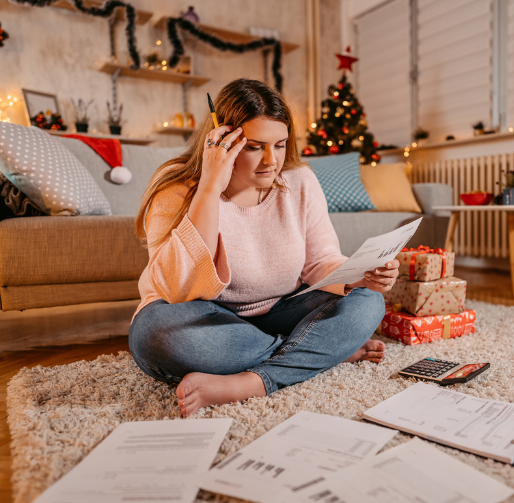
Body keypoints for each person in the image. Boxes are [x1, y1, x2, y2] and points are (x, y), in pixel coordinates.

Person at [129, 79, 399, 418]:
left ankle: (252, 381)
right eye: (255, 147)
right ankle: (321, 350)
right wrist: (211, 186)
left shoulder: (300, 181)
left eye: (281, 145)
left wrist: (361, 275)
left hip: (283, 308)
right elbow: (172, 287)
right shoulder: (177, 187)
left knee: (368, 300)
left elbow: (321, 262)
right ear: (222, 140)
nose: (271, 161)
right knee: (156, 335)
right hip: (208, 317)